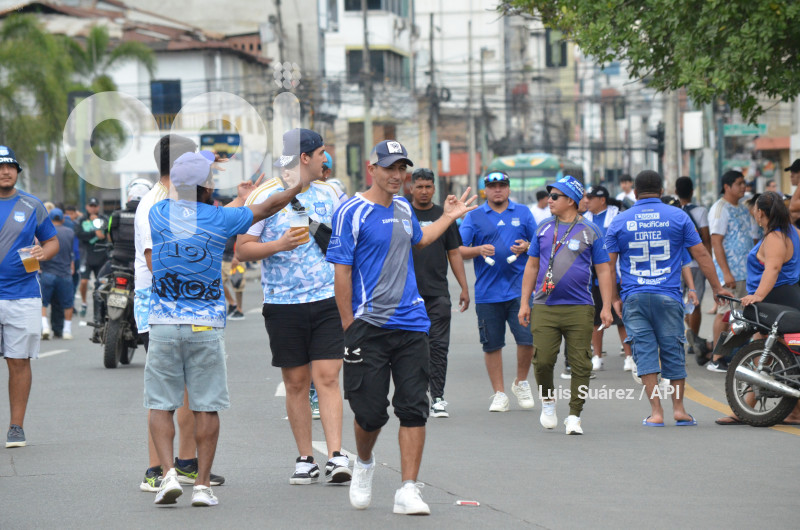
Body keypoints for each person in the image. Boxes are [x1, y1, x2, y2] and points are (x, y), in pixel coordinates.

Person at [327, 140, 476, 515]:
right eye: (390, 168)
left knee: (414, 408)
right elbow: (341, 272)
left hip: (412, 323)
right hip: (368, 326)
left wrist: (448, 217)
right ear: (371, 168)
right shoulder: (351, 211)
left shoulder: (405, 208)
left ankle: (408, 488)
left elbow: (421, 240)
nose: (397, 176)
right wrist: (349, 326)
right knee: (370, 412)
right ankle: (363, 464)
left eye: (402, 169)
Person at [145, 151, 302, 506]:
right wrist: (296, 186)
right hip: (205, 326)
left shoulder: (157, 213)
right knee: (206, 406)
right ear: (204, 188)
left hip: (164, 325)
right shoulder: (219, 218)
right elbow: (267, 208)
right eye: (211, 180)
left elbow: (182, 196)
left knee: (160, 404)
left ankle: (168, 474)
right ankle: (201, 486)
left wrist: (198, 163)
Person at [237, 128, 351, 486]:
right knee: (296, 382)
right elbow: (242, 248)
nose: (325, 159)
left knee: (329, 378)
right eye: (321, 154)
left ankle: (335, 456)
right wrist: (280, 245)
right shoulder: (265, 195)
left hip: (326, 299)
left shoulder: (333, 192)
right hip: (283, 304)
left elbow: (348, 241)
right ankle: (305, 458)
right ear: (304, 158)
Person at [134, 135, 225, 494]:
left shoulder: (181, 198)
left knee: (189, 389)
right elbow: (155, 260)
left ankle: (186, 463)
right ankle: (157, 468)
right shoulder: (157, 202)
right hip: (159, 303)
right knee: (165, 392)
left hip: (187, 303)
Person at [605, 170, 731, 428]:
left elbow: (607, 267)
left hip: (635, 297)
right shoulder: (678, 216)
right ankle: (680, 409)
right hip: (668, 296)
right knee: (672, 350)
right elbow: (702, 255)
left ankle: (656, 412)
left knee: (645, 352)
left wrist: (611, 300)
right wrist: (717, 288)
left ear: (635, 193)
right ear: (662, 192)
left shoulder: (620, 221)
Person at [518, 176, 614, 435]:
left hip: (580, 307)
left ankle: (574, 415)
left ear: (570, 200)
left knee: (581, 364)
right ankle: (548, 402)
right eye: (550, 196)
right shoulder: (543, 228)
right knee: (543, 361)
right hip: (545, 306)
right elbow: (532, 266)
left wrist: (606, 306)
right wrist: (524, 303)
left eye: (555, 196)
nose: (548, 200)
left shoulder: (590, 231)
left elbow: (604, 270)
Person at [716, 192, 800, 425]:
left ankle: (745, 408)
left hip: (774, 299)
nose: (754, 215)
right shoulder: (794, 233)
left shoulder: (775, 237)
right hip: (789, 295)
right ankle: (768, 409)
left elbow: (772, 269)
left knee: (767, 349)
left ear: (761, 213)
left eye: (755, 211)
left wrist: (758, 295)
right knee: (787, 354)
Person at [458, 171, 538, 412]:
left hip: (519, 291)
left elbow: (541, 243)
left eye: (502, 185)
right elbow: (458, 249)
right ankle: (499, 393)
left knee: (527, 339)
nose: (498, 190)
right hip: (487, 292)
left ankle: (521, 382)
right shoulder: (475, 216)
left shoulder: (523, 213)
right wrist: (478, 249)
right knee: (492, 344)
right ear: (486, 191)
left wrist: (527, 246)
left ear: (508, 189)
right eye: (493, 186)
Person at [0, 145, 60, 448]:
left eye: (10, 166)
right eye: (0, 167)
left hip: (22, 295)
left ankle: (16, 426)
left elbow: (51, 242)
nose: (5, 171)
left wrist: (42, 252)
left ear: (17, 172)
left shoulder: (32, 204)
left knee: (19, 361)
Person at [409, 168, 470, 418]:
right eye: (419, 186)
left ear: (434, 189)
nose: (424, 191)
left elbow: (454, 252)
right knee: (413, 348)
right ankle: (417, 394)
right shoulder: (402, 213)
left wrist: (464, 287)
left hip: (437, 293)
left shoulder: (444, 216)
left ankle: (438, 397)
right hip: (407, 295)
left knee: (438, 346)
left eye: (428, 187)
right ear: (411, 188)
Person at [706, 170, 759, 372]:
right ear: (727, 186)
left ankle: (734, 355)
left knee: (742, 316)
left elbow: (753, 238)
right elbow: (716, 242)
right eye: (739, 183)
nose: (743, 187)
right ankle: (717, 358)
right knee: (725, 313)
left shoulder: (745, 208)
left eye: (744, 183)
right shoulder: (719, 209)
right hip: (729, 274)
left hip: (747, 272)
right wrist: (726, 273)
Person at [581, 185, 633, 371]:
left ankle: (629, 356)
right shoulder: (584, 219)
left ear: (602, 200)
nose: (586, 201)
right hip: (592, 276)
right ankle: (597, 356)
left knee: (621, 318)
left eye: (591, 197)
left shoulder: (618, 216)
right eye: (585, 197)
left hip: (616, 274)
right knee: (595, 319)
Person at [674, 176, 713, 357]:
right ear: (692, 191)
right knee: (694, 302)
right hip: (696, 263)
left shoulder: (672, 211)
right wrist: (709, 263)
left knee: (675, 301)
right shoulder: (700, 211)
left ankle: (678, 338)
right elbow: (706, 239)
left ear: (676, 192)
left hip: (676, 263)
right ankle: (694, 340)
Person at [40, 209, 75, 341]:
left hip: (48, 272)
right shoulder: (70, 232)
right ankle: (67, 330)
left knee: (43, 303)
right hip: (65, 273)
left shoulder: (46, 234)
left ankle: (45, 327)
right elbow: (72, 253)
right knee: (68, 303)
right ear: (62, 219)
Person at [76, 197, 108, 317]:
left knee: (101, 283)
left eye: (95, 206)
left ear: (98, 207)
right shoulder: (82, 220)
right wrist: (93, 233)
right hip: (86, 255)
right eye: (91, 206)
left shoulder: (103, 219)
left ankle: (102, 305)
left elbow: (102, 236)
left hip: (100, 254)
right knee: (84, 281)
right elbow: (80, 234)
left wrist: (96, 224)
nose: (93, 208)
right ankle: (84, 302)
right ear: (87, 207)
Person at [220, 236, 245, 320]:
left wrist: (236, 256)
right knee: (219, 283)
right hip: (223, 258)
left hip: (234, 260)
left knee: (237, 284)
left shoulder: (235, 223)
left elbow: (240, 240)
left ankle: (239, 310)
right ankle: (232, 304)